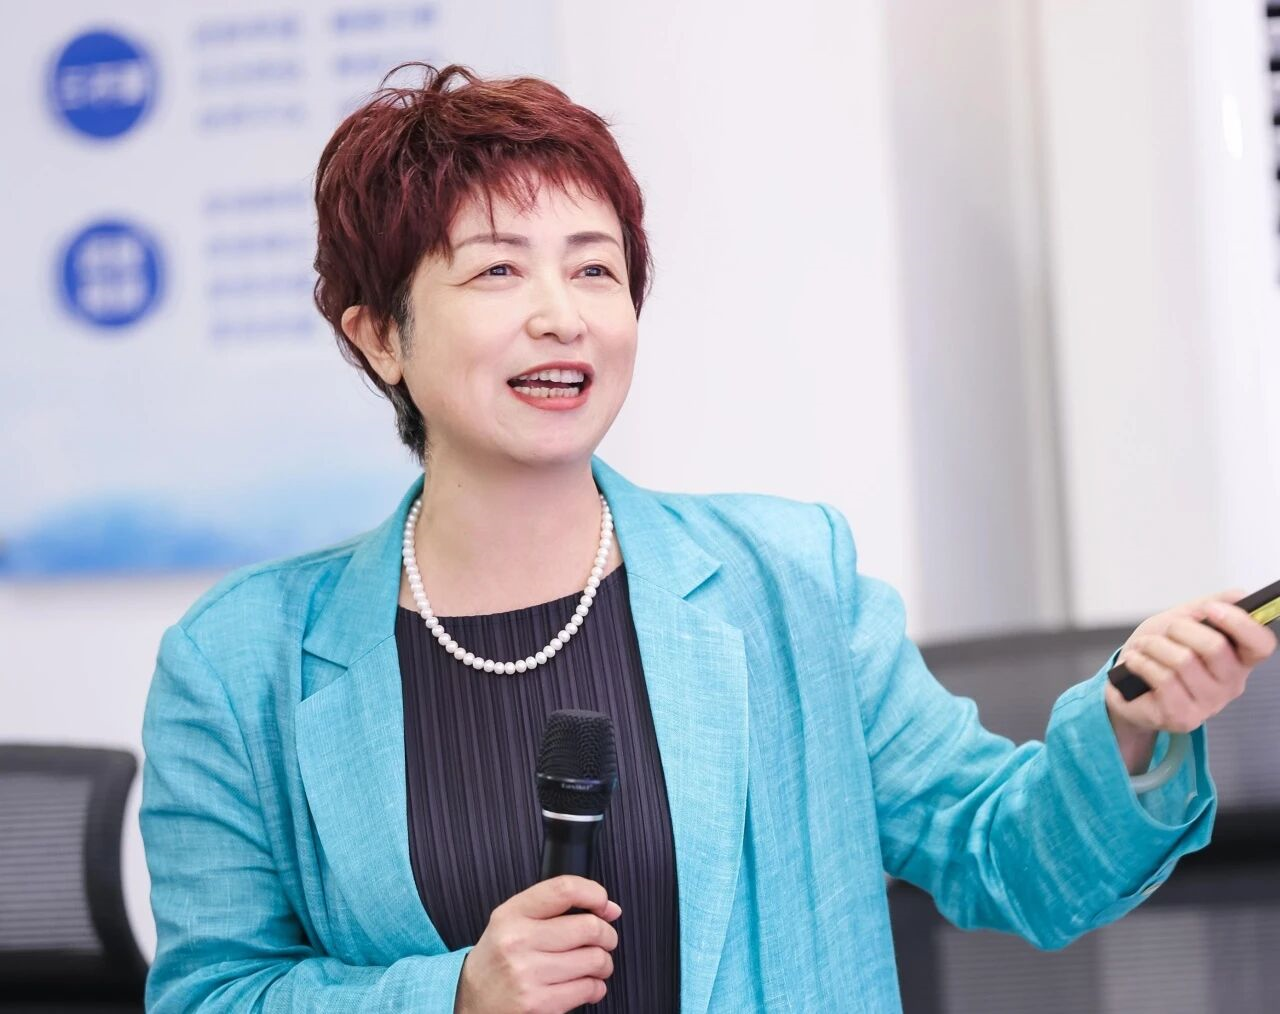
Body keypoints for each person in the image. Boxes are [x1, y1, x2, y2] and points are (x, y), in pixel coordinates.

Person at [138, 63, 1277, 1013]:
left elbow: (1007, 857)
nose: (562, 314)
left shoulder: (786, 582)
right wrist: (454, 996)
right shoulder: (237, 665)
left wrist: (1129, 729)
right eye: (498, 270)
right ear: (379, 336)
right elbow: (210, 995)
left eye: (595, 268)